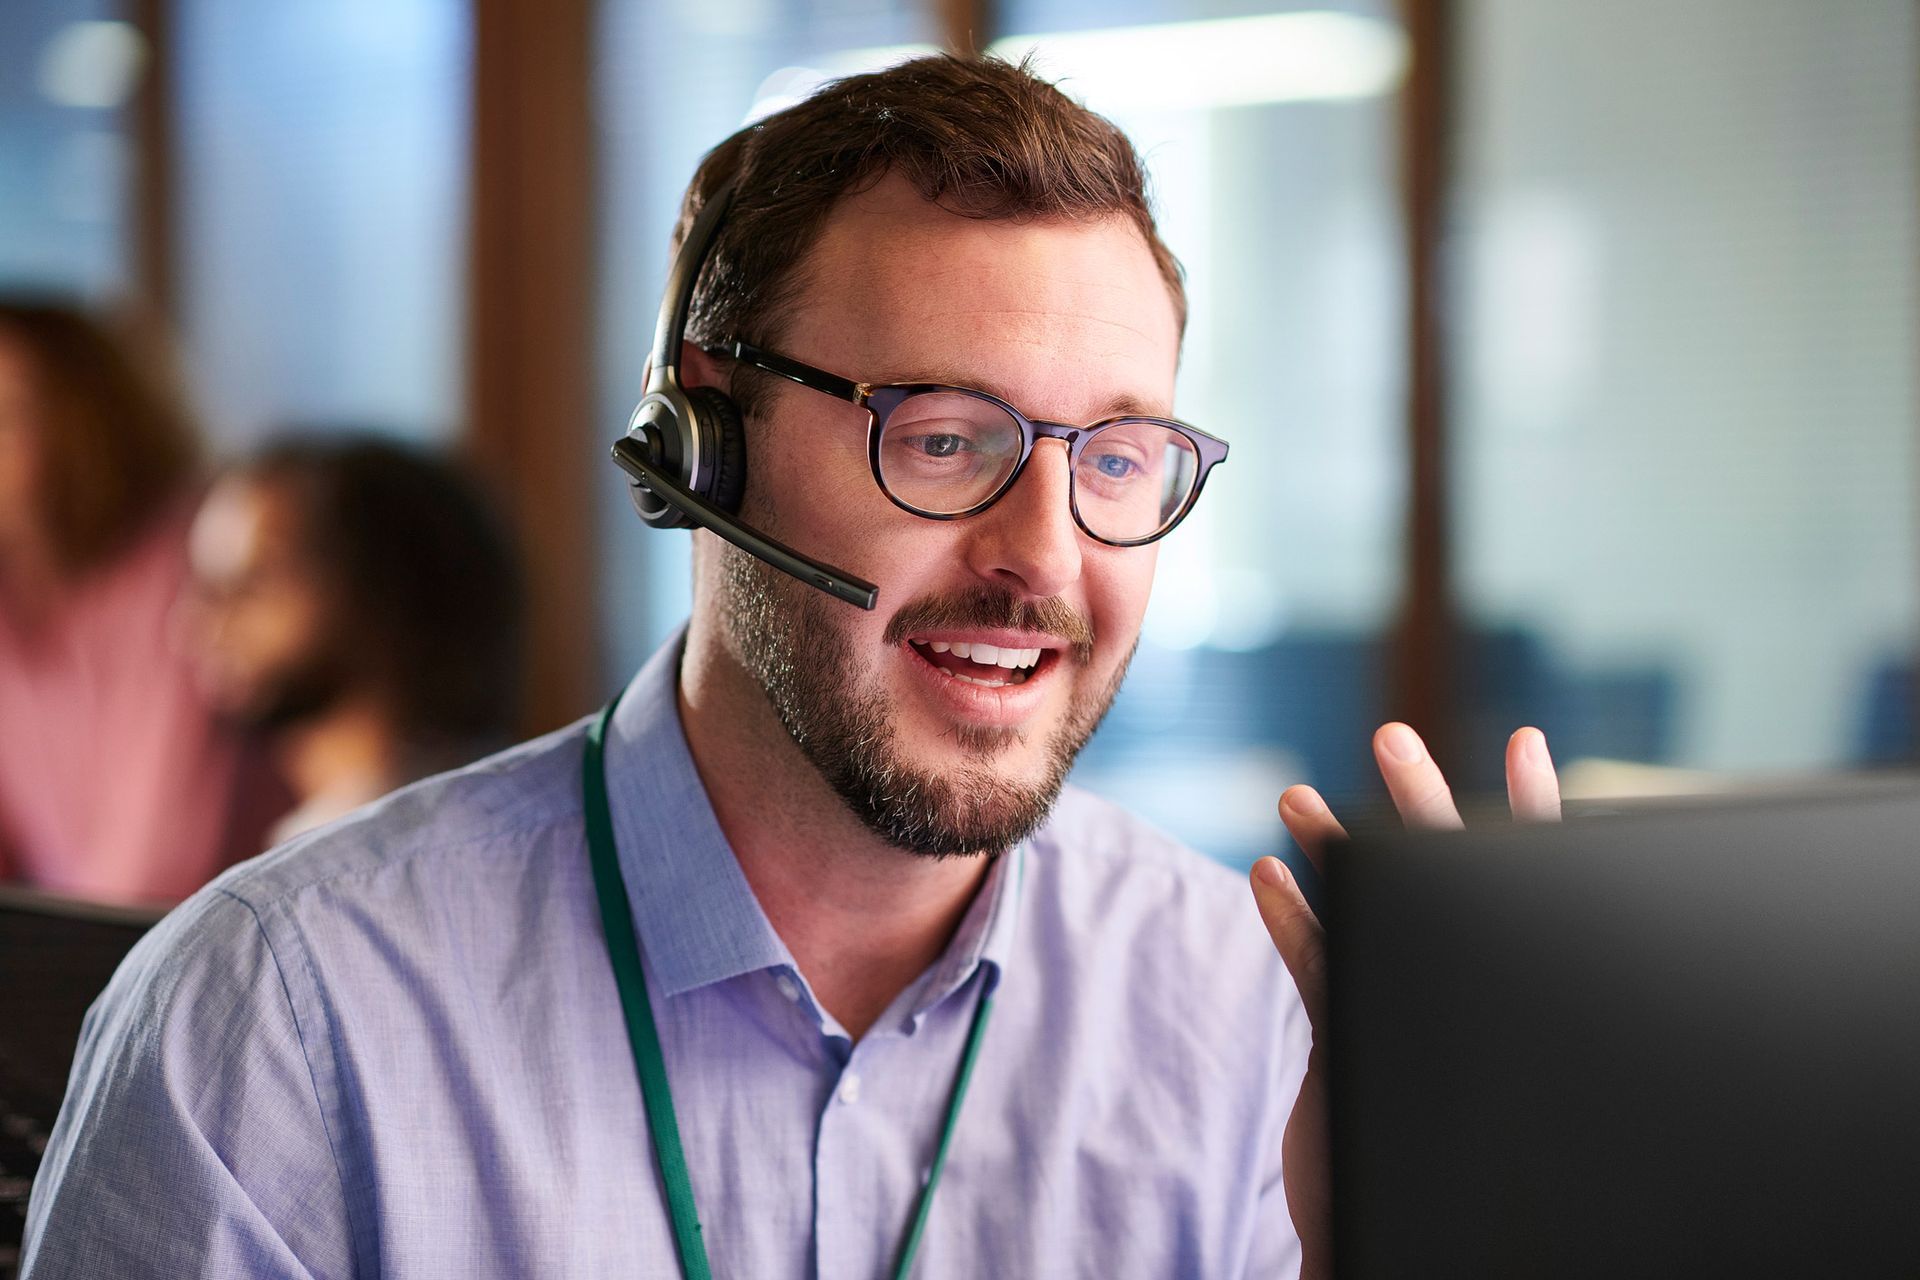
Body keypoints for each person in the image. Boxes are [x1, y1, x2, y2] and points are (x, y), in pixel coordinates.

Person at [22, 57, 1559, 1277]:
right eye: (945, 439)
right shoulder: (285, 1022)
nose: (1046, 555)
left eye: (1118, 457)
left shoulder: (1248, 1025)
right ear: (707, 441)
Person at [0, 298, 283, 904]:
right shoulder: (14, 589)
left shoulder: (184, 565)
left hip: (213, 946)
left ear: (84, 428)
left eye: (7, 418)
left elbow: (154, 869)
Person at [178, 435, 526, 845]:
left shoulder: (428, 840)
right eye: (208, 588)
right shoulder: (321, 831)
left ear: (385, 596)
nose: (196, 623)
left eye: (251, 585)